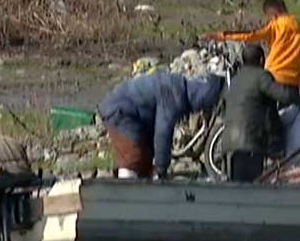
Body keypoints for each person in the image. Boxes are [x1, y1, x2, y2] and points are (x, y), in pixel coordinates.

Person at [97, 68, 226, 180]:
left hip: (128, 111)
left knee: (145, 162)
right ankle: (123, 198)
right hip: (120, 111)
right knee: (134, 158)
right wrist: (161, 169)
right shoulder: (173, 95)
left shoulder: (178, 86)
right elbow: (162, 133)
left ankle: (142, 198)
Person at [213, 44, 300, 181]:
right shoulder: (262, 76)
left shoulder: (233, 81)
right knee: (250, 191)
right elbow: (283, 95)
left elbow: (223, 107)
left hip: (228, 145)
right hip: (250, 145)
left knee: (237, 191)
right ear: (262, 60)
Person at [204, 0, 300, 91]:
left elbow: (251, 35)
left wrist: (222, 36)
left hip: (273, 78)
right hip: (294, 83)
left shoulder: (275, 26)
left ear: (273, 15)